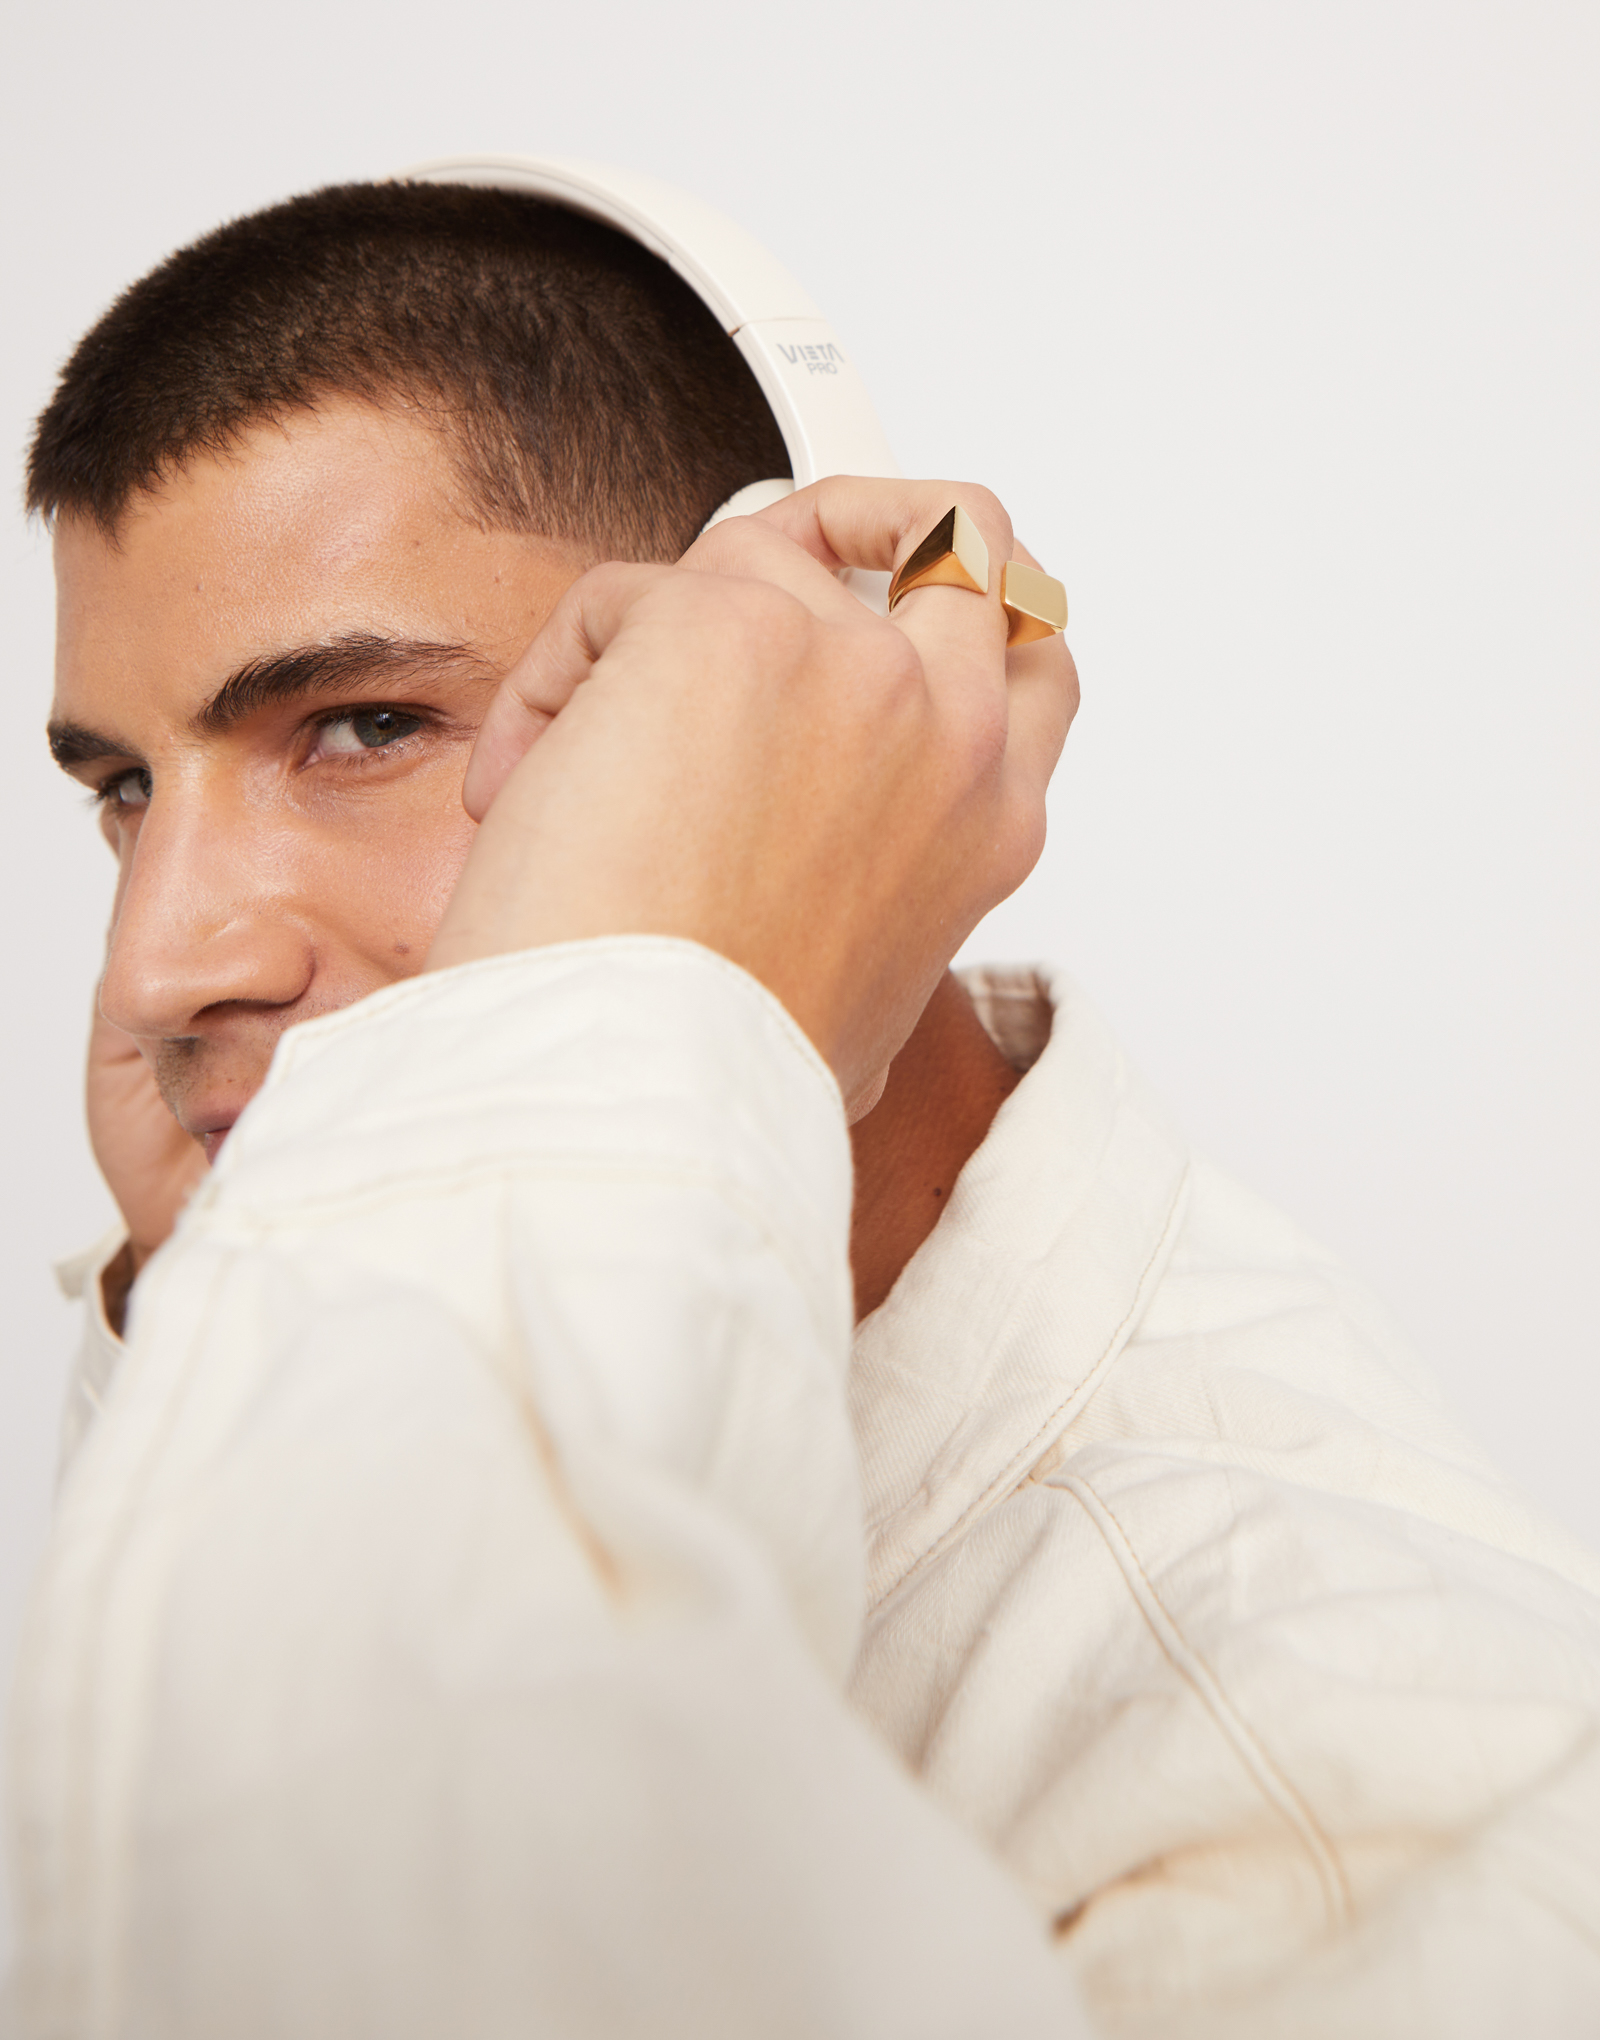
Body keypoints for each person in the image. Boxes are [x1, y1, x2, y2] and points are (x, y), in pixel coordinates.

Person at [8, 177, 1600, 2038]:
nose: (156, 962)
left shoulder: (1335, 1795)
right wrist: (220, 1310)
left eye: (363, 728)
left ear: (830, 707)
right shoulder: (333, 1293)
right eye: (126, 788)